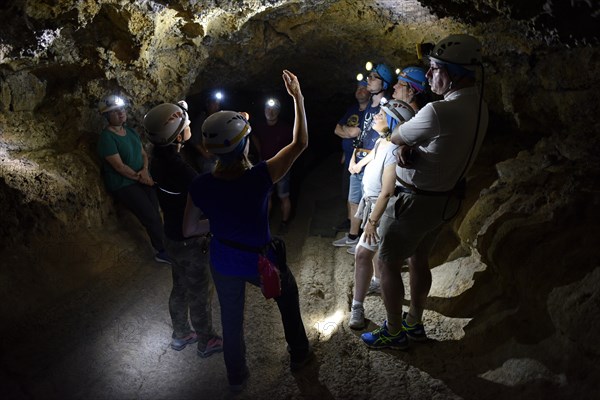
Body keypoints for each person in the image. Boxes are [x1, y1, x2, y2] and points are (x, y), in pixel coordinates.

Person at [182, 70, 312, 392]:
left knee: (231, 319)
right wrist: (298, 97)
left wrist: (222, 223)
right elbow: (301, 143)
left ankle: (237, 377)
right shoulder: (259, 177)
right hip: (260, 259)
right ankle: (299, 355)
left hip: (224, 258)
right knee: (288, 298)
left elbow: (188, 229)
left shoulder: (200, 185)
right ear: (244, 146)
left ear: (210, 150)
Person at [361, 34, 489, 349]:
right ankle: (415, 323)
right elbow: (441, 147)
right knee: (420, 259)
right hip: (443, 201)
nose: (430, 75)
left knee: (386, 263)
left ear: (456, 74)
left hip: (413, 202)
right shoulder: (480, 106)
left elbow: (395, 137)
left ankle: (393, 331)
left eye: (435, 69)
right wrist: (413, 150)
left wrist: (404, 145)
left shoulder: (439, 112)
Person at [349, 69, 428, 330]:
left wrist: (372, 220)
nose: (378, 116)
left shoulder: (399, 143)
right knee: (369, 257)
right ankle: (363, 308)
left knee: (382, 262)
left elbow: (387, 189)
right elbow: (378, 148)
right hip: (377, 205)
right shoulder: (387, 139)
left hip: (387, 208)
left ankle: (392, 322)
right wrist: (360, 164)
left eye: (383, 115)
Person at [143, 101, 223, 358]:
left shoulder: (157, 159)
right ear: (178, 136)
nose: (190, 127)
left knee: (179, 286)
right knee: (200, 292)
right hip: (191, 241)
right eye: (187, 126)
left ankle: (180, 334)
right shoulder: (181, 169)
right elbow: (207, 196)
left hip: (172, 235)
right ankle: (206, 340)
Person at [96, 94, 170, 264]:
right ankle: (162, 251)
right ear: (106, 116)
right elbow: (119, 167)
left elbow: (143, 154)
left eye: (121, 109)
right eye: (114, 112)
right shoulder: (107, 138)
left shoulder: (130, 131)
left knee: (156, 212)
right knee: (149, 215)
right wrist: (140, 177)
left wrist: (144, 170)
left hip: (141, 177)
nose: (121, 113)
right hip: (123, 183)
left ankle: (166, 244)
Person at [332, 62, 395, 255]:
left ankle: (366, 241)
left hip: (372, 165)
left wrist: (360, 163)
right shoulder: (369, 108)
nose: (369, 80)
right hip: (358, 161)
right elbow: (362, 136)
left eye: (374, 77)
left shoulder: (387, 109)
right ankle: (353, 237)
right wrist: (352, 159)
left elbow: (383, 144)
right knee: (353, 201)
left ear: (384, 84)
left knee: (368, 203)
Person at [250, 97, 294, 234]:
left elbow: (294, 145)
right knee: (266, 196)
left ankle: (284, 223)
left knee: (283, 196)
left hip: (282, 168)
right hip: (266, 167)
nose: (271, 112)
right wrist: (259, 152)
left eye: (274, 109)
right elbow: (253, 136)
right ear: (264, 110)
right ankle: (265, 223)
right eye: (268, 109)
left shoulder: (285, 128)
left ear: (278, 111)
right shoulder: (260, 126)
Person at [333, 79, 371, 233]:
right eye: (358, 88)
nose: (360, 91)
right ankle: (350, 221)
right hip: (349, 158)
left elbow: (359, 132)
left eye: (363, 88)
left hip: (363, 161)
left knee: (361, 195)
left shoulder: (372, 110)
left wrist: (346, 131)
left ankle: (361, 226)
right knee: (348, 193)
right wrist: (349, 132)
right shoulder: (352, 109)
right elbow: (337, 129)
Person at [183, 92, 221, 174]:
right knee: (212, 173)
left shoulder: (218, 119)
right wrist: (205, 153)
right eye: (213, 103)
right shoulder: (201, 119)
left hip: (216, 154)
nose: (216, 106)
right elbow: (194, 139)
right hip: (204, 156)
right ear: (208, 105)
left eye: (217, 104)